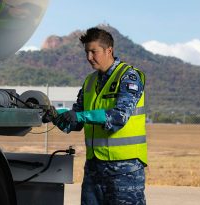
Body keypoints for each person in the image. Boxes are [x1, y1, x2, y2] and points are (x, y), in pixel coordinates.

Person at [53, 27, 147, 204]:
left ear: (108, 50)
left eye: (93, 51)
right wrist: (54, 115)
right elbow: (75, 120)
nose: (89, 57)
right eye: (86, 52)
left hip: (124, 170)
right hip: (94, 169)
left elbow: (119, 117)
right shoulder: (90, 81)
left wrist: (80, 116)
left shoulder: (129, 77)